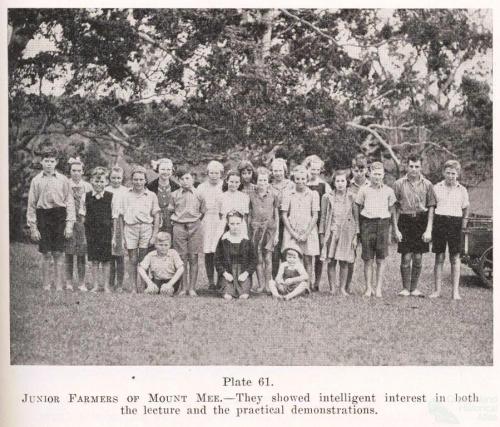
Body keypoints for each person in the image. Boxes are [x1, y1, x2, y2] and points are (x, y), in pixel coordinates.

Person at [27, 145, 75, 291]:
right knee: (46, 252)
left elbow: (70, 202)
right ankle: (46, 284)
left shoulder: (63, 180)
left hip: (59, 215)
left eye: (52, 161)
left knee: (59, 252)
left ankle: (59, 285)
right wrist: (33, 228)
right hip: (43, 216)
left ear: (56, 162)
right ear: (41, 162)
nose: (49, 163)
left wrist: (69, 225)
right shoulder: (36, 180)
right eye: (46, 160)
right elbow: (32, 204)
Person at [393, 156, 436, 297]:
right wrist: (395, 228)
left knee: (418, 257)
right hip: (405, 221)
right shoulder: (399, 184)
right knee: (406, 257)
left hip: (421, 221)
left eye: (417, 166)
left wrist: (429, 229)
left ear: (421, 167)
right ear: (407, 166)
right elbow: (395, 208)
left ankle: (414, 288)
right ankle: (405, 288)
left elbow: (431, 207)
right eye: (411, 166)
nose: (414, 169)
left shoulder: (428, 185)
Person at [114, 166, 160, 292]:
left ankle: (144, 285)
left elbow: (156, 215)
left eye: (141, 179)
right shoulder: (125, 195)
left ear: (145, 180)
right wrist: (122, 236)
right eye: (135, 179)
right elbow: (121, 217)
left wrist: (154, 234)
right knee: (133, 258)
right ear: (131, 180)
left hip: (146, 228)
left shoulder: (151, 195)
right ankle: (133, 286)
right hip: (130, 228)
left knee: (144, 259)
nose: (138, 182)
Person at [354, 161, 397, 298]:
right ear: (369, 174)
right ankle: (368, 288)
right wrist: (358, 225)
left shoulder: (389, 191)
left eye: (379, 174)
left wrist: (394, 229)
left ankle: (378, 288)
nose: (377, 177)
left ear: (383, 175)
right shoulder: (364, 190)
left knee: (381, 258)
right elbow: (357, 206)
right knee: (368, 258)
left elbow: (392, 210)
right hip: (367, 224)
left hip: (383, 224)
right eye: (374, 174)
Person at [430, 160, 469, 300]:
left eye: (453, 173)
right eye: (448, 173)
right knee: (439, 257)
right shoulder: (436, 187)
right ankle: (437, 290)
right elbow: (432, 208)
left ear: (458, 174)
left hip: (455, 223)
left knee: (455, 257)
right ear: (443, 173)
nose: (451, 176)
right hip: (440, 221)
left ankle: (455, 292)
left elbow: (465, 210)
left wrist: (463, 227)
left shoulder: (462, 190)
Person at [168, 167, 206, 296]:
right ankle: (183, 288)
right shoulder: (174, 195)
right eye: (182, 179)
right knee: (181, 257)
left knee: (193, 257)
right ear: (178, 181)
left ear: (193, 179)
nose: (185, 181)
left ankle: (192, 288)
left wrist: (195, 222)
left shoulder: (199, 194)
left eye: (187, 178)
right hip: (179, 226)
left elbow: (203, 211)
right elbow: (171, 211)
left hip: (195, 226)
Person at [319, 170, 358, 295]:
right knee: (331, 261)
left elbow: (356, 218)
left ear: (347, 182)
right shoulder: (327, 197)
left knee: (344, 261)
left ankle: (342, 288)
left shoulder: (352, 197)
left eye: (343, 181)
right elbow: (323, 217)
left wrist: (355, 236)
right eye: (337, 181)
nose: (340, 184)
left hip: (346, 233)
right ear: (333, 182)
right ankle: (332, 288)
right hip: (332, 231)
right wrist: (322, 234)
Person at [281, 165, 320, 287]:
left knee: (308, 258)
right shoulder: (288, 194)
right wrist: (293, 233)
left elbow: (315, 215)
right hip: (292, 230)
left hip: (307, 230)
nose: (300, 182)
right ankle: (290, 284)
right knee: (290, 258)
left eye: (303, 179)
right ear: (294, 179)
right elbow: (284, 214)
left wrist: (306, 233)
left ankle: (306, 285)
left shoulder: (313, 194)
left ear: (307, 179)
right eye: (297, 179)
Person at [80, 167, 113, 293]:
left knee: (105, 260)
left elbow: (114, 216)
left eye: (102, 181)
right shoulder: (86, 196)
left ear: (106, 182)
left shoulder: (110, 197)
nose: (99, 184)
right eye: (96, 181)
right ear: (91, 181)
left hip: (106, 232)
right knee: (94, 260)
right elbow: (82, 215)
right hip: (91, 232)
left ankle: (105, 286)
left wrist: (114, 236)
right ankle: (95, 285)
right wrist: (84, 233)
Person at [248, 167, 280, 293]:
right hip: (255, 228)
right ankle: (261, 285)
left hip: (270, 229)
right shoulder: (251, 196)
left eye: (265, 180)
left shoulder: (274, 195)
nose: (262, 183)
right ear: (256, 181)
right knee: (258, 258)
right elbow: (250, 214)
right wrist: (249, 229)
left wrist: (276, 233)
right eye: (260, 180)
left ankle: (268, 284)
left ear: (268, 181)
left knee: (268, 258)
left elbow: (276, 214)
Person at [303, 155, 332, 291]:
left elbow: (329, 205)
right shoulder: (303, 183)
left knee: (320, 254)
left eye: (317, 169)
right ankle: (306, 281)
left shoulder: (324, 185)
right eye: (312, 169)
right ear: (307, 168)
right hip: (305, 221)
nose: (314, 172)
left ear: (320, 170)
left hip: (320, 222)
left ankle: (317, 282)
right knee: (307, 253)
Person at [64, 157, 92, 291]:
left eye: (79, 170)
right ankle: (69, 282)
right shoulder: (65, 185)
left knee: (82, 254)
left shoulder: (87, 186)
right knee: (68, 253)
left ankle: (81, 283)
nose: (76, 173)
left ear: (83, 171)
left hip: (82, 224)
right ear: (69, 171)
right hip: (68, 223)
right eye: (73, 170)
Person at [215, 211, 256, 300]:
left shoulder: (247, 239)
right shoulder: (223, 240)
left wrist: (246, 273)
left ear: (242, 223)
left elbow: (254, 260)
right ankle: (225, 287)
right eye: (232, 224)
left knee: (243, 296)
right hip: (228, 272)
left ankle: (244, 288)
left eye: (238, 223)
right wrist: (225, 274)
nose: (235, 226)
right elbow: (217, 260)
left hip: (242, 272)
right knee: (227, 296)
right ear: (228, 224)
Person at [197, 161, 224, 291]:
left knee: (220, 250)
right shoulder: (201, 187)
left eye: (216, 173)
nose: (214, 175)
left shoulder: (225, 186)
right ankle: (210, 281)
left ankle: (220, 280)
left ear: (221, 174)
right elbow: (197, 207)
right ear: (207, 173)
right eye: (211, 173)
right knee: (208, 252)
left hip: (221, 221)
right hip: (207, 221)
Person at [346, 155, 370, 291]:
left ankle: (368, 287)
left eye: (362, 170)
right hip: (351, 222)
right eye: (356, 170)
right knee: (350, 255)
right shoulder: (347, 184)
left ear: (366, 170)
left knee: (368, 256)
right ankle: (348, 285)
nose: (359, 173)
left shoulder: (371, 184)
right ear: (352, 170)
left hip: (367, 223)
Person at [270, 158, 295, 277]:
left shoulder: (291, 185)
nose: (278, 173)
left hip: (289, 221)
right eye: (275, 170)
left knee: (287, 250)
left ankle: (288, 277)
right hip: (275, 221)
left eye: (280, 170)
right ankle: (275, 279)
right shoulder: (269, 186)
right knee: (275, 252)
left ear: (285, 170)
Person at [105, 166, 128, 292]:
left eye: (118, 178)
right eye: (113, 178)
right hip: (107, 221)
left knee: (119, 255)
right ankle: (110, 282)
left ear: (122, 178)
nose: (116, 180)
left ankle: (119, 284)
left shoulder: (126, 191)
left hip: (120, 221)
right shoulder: (106, 189)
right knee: (109, 255)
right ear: (109, 178)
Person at [147, 158, 179, 234]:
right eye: (163, 169)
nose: (166, 172)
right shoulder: (150, 187)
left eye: (168, 170)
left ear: (172, 171)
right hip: (154, 221)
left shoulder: (176, 187)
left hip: (171, 222)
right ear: (158, 170)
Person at [217, 170, 249, 239]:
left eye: (236, 182)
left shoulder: (244, 197)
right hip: (224, 225)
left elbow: (245, 215)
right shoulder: (221, 197)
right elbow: (219, 215)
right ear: (227, 181)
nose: (234, 184)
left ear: (240, 183)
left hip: (239, 225)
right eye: (231, 182)